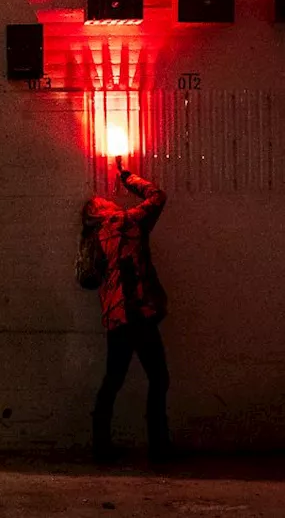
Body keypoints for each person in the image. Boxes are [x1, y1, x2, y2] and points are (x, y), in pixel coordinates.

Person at [81, 160, 171, 463]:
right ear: (98, 211)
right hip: (139, 312)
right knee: (159, 378)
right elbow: (158, 196)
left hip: (116, 318)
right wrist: (127, 177)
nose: (108, 200)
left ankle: (101, 448)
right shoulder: (127, 222)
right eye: (102, 201)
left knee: (112, 380)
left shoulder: (95, 238)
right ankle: (158, 449)